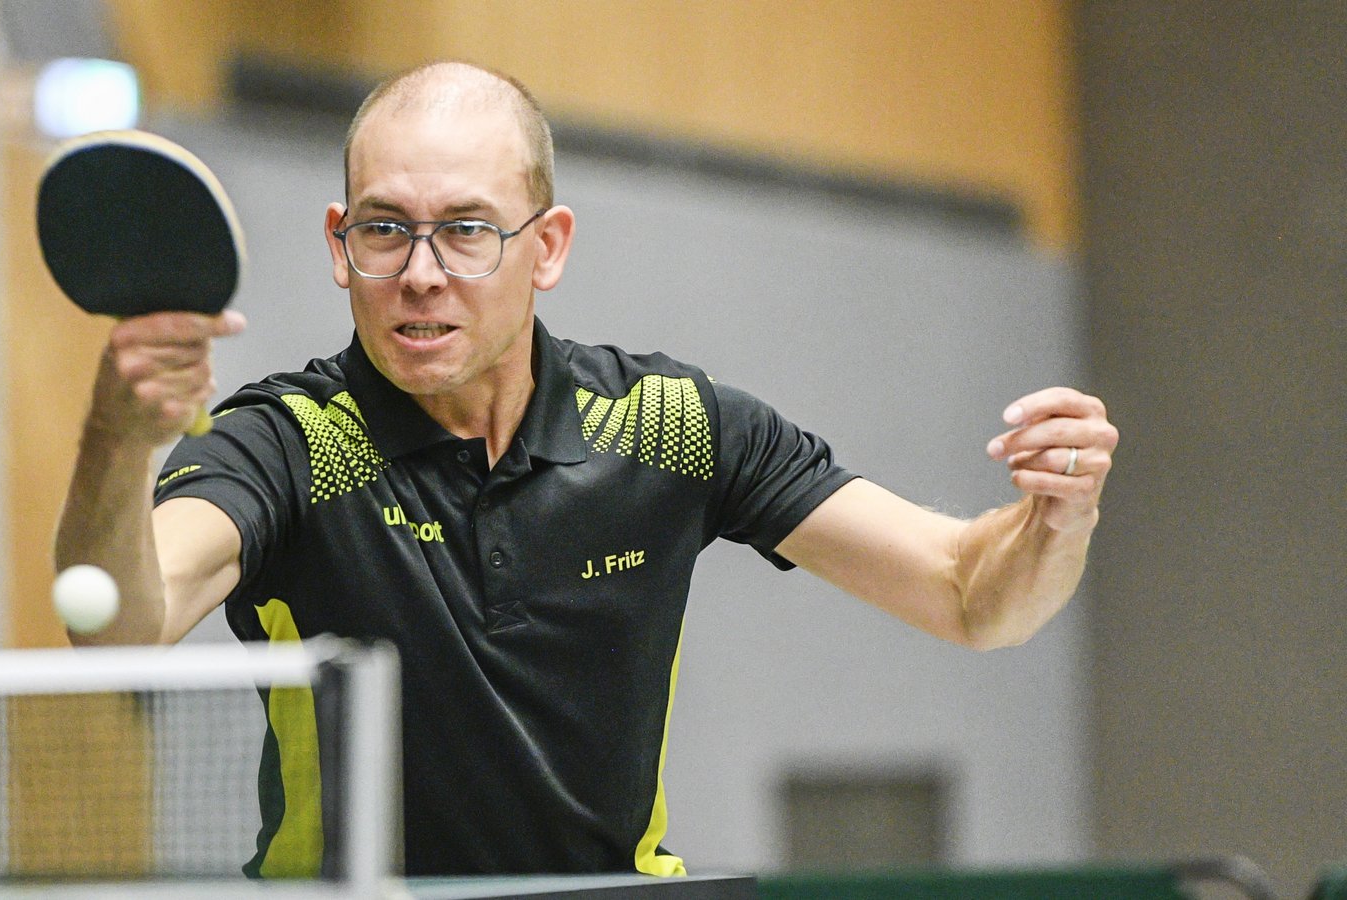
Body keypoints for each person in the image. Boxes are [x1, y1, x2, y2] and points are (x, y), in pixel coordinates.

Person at [54, 61, 1118, 878]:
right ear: (339, 245)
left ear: (547, 246)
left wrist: (1051, 522)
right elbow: (117, 624)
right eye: (386, 230)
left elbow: (969, 596)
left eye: (467, 230)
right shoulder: (292, 443)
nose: (420, 275)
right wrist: (117, 438)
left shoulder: (667, 427)